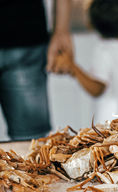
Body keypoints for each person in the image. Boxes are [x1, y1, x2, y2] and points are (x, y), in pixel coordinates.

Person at [56, 0, 118, 124]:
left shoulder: (103, 51)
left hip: (110, 127)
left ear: (90, 24)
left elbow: (97, 88)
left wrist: (73, 68)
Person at [0, 0, 72, 140]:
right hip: (25, 36)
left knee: (32, 142)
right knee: (31, 140)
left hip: (25, 38)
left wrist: (61, 31)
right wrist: (61, 30)